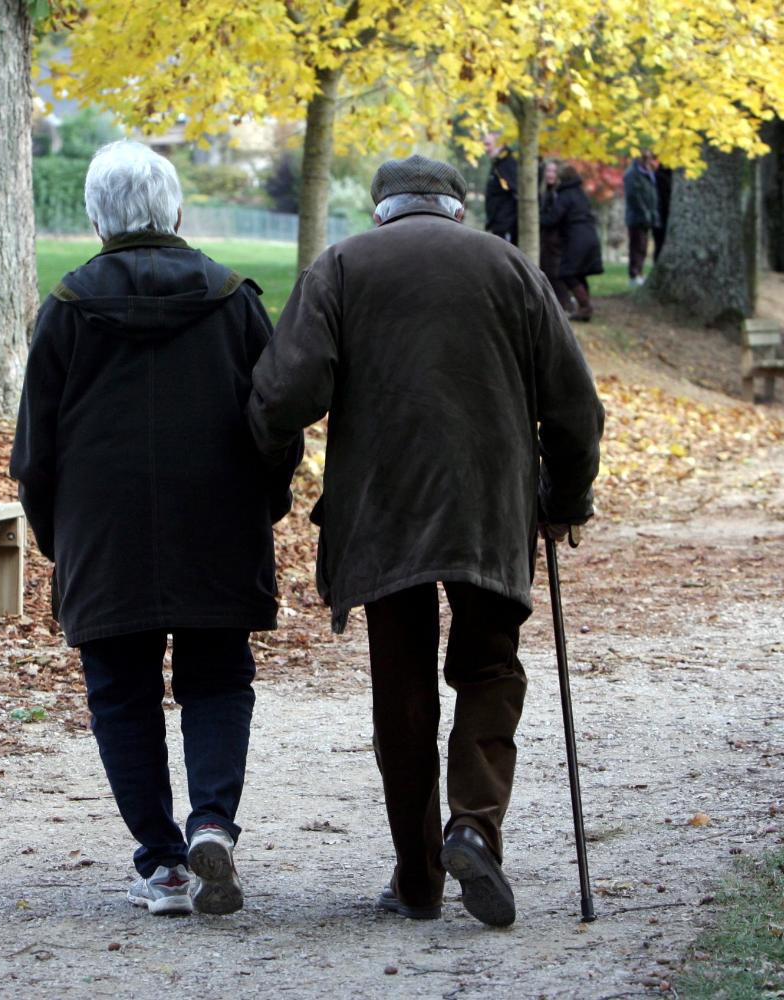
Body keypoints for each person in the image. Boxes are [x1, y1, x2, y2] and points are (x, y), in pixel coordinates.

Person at [247, 154, 604, 928]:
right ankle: (473, 824)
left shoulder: (341, 265)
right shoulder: (511, 267)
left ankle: (418, 880)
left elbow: (284, 395)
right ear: (456, 208)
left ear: (381, 210)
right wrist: (563, 498)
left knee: (401, 692)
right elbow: (576, 407)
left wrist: (274, 467)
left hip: (384, 512)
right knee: (488, 668)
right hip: (489, 506)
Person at [10, 141, 301, 918]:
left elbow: (35, 445)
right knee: (218, 677)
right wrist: (263, 503)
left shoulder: (68, 306)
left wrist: (55, 535)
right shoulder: (233, 297)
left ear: (97, 216)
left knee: (120, 692)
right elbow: (275, 420)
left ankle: (164, 864)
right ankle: (212, 824)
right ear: (175, 211)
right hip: (217, 518)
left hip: (104, 529)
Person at [541, 164, 605, 321]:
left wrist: (536, 218)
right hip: (590, 234)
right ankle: (584, 308)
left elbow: (552, 219)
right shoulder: (580, 193)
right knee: (580, 273)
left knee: (567, 272)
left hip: (577, 237)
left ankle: (585, 307)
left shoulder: (565, 195)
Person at [623, 153, 660, 285]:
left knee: (643, 247)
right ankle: (634, 274)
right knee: (637, 246)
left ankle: (639, 272)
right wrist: (645, 213)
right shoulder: (632, 174)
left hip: (646, 216)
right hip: (636, 217)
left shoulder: (648, 173)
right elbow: (634, 196)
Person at [539, 160, 567, 307]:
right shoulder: (545, 191)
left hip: (557, 240)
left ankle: (564, 303)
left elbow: (554, 217)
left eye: (553, 171)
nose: (550, 174)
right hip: (547, 239)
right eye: (548, 171)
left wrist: (540, 219)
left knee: (556, 272)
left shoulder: (559, 193)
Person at [484, 134, 519, 245]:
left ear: (500, 145)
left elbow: (515, 193)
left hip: (505, 226)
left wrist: (506, 224)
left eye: (488, 144)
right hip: (498, 224)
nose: (486, 149)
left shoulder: (507, 164)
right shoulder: (498, 164)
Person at [651, 155, 673, 260]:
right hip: (661, 215)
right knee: (660, 243)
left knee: (659, 243)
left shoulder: (657, 176)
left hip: (660, 214)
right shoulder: (661, 177)